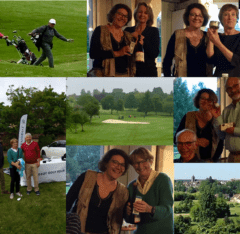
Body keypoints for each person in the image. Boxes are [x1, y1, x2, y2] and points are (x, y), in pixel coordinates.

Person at [66, 148, 129, 234]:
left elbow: (126, 217)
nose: (119, 167)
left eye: (122, 165)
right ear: (106, 163)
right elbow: (67, 203)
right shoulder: (87, 177)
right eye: (115, 162)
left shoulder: (123, 191)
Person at [125, 147, 173, 234]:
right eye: (136, 163)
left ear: (151, 161)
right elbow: (131, 220)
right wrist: (127, 212)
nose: (140, 166)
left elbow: (167, 209)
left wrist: (150, 209)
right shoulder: (131, 186)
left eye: (143, 161)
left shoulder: (163, 179)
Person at [174, 89, 224, 162]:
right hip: (190, 161)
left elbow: (221, 142)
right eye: (203, 98)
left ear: (214, 103)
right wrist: (196, 141)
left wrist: (214, 161)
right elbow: (176, 139)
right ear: (198, 100)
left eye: (209, 99)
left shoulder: (217, 119)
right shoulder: (188, 116)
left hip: (211, 162)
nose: (205, 101)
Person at [163, 3, 210, 77]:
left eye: (200, 15)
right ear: (187, 17)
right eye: (193, 14)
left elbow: (213, 61)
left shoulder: (208, 37)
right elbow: (167, 62)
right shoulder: (177, 35)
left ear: (204, 18)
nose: (197, 18)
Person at [89, 4, 135, 77]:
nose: (123, 18)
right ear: (113, 14)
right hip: (103, 76)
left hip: (124, 76)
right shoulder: (100, 30)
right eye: (120, 14)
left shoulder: (128, 36)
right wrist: (118, 53)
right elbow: (93, 54)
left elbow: (132, 56)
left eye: (126, 16)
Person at [125, 2, 160, 77]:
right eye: (140, 12)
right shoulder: (128, 30)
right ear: (136, 14)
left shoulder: (154, 31)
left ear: (149, 16)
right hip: (130, 71)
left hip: (149, 72)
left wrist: (144, 43)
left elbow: (155, 53)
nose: (142, 15)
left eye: (145, 13)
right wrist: (132, 38)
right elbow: (125, 53)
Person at [212, 78, 240, 162]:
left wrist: (234, 130)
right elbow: (222, 135)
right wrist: (217, 116)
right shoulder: (226, 110)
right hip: (231, 157)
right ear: (227, 92)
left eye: (236, 85)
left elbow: (228, 129)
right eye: (229, 88)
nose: (233, 90)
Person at [207, 4, 240, 76]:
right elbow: (211, 60)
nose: (230, 18)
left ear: (236, 18)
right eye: (226, 15)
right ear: (221, 19)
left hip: (235, 77)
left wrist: (218, 43)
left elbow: (237, 61)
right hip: (219, 76)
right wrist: (211, 39)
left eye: (233, 15)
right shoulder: (218, 37)